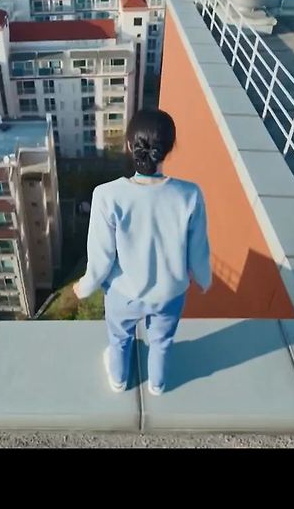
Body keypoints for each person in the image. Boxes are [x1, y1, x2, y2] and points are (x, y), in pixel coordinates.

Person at [74, 108, 211, 395]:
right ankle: (158, 385)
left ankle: (119, 380)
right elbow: (198, 251)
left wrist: (85, 287)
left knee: (119, 339)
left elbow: (101, 257)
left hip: (124, 294)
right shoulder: (190, 194)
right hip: (171, 293)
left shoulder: (107, 195)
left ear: (129, 145)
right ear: (169, 149)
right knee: (162, 342)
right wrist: (204, 279)